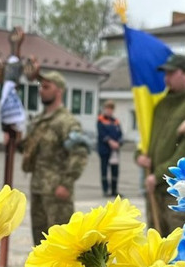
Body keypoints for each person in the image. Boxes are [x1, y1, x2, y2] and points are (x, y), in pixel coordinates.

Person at [135, 54, 185, 235]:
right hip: (156, 189)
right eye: (165, 73)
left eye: (171, 73)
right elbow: (148, 136)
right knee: (158, 244)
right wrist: (139, 155)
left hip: (178, 191)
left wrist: (159, 174)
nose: (166, 78)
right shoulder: (162, 104)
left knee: (180, 246)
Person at [21, 71, 90, 244]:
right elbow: (30, 149)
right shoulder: (39, 120)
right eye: (41, 87)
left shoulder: (66, 122)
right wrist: (15, 139)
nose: (41, 91)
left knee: (61, 244)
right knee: (40, 243)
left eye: (46, 87)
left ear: (59, 91)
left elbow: (80, 153)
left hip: (57, 193)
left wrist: (66, 183)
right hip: (38, 188)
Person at [97, 100, 123, 197]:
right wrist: (110, 141)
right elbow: (102, 134)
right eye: (108, 108)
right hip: (105, 150)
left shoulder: (115, 121)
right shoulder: (101, 120)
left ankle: (114, 190)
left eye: (111, 109)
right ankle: (105, 190)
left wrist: (119, 142)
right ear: (104, 109)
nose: (109, 111)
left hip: (115, 151)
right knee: (104, 170)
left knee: (115, 170)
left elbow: (120, 134)